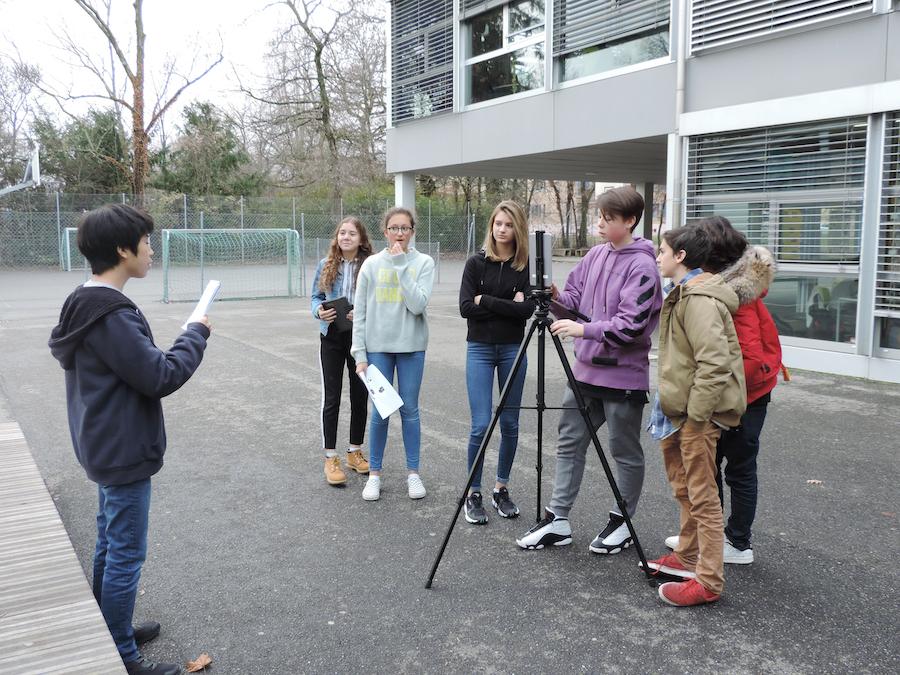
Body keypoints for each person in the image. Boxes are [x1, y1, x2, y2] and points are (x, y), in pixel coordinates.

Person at [48, 204, 211, 674]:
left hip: (101, 441)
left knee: (108, 539)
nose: (151, 250)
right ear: (123, 250)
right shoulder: (110, 314)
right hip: (121, 448)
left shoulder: (84, 299)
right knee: (124, 550)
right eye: (145, 242)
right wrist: (195, 334)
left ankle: (109, 625)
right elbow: (159, 375)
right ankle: (120, 653)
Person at [516, 186, 663, 554]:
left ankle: (622, 522)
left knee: (623, 450)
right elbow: (575, 302)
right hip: (584, 373)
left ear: (629, 221)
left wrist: (584, 329)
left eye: (607, 218)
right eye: (599, 216)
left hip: (623, 376)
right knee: (569, 442)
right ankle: (558, 519)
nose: (599, 223)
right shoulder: (595, 255)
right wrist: (555, 298)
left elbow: (631, 326)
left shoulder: (643, 266)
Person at [664, 216, 784, 564]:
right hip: (735, 392)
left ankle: (738, 543)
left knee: (738, 467)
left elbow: (738, 360)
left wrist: (705, 405)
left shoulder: (732, 295)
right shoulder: (724, 287)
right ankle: (707, 537)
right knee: (710, 466)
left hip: (747, 394)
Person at [645, 225, 746, 607]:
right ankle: (687, 556)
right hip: (678, 411)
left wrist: (697, 419)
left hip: (695, 416)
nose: (658, 256)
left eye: (663, 250)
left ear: (681, 256)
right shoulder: (684, 292)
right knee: (684, 487)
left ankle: (708, 582)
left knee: (703, 496)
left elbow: (714, 364)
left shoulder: (700, 299)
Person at [458, 200, 535, 524]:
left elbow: (527, 310)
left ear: (517, 228)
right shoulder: (476, 263)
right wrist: (507, 303)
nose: (501, 229)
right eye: (497, 223)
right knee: (480, 424)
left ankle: (501, 488)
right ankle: (473, 492)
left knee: (511, 424)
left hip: (512, 350)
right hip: (479, 348)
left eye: (508, 224)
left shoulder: (525, 264)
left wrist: (485, 300)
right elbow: (465, 307)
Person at [352, 207, 435, 501]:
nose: (399, 233)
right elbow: (359, 312)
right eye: (394, 228)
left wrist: (401, 264)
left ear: (412, 231)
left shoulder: (424, 263)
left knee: (410, 409)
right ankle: (374, 474)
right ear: (385, 231)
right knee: (381, 412)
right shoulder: (371, 265)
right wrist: (359, 352)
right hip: (378, 349)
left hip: (412, 347)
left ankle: (413, 473)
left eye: (405, 228)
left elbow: (417, 304)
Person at [311, 216, 373, 485]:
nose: (346, 237)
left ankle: (354, 451)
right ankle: (330, 457)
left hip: (360, 337)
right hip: (332, 338)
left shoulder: (370, 265)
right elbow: (315, 297)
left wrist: (363, 313)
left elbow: (377, 299)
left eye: (351, 233)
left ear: (361, 239)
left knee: (360, 397)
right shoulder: (326, 265)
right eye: (342, 233)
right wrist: (319, 312)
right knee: (332, 397)